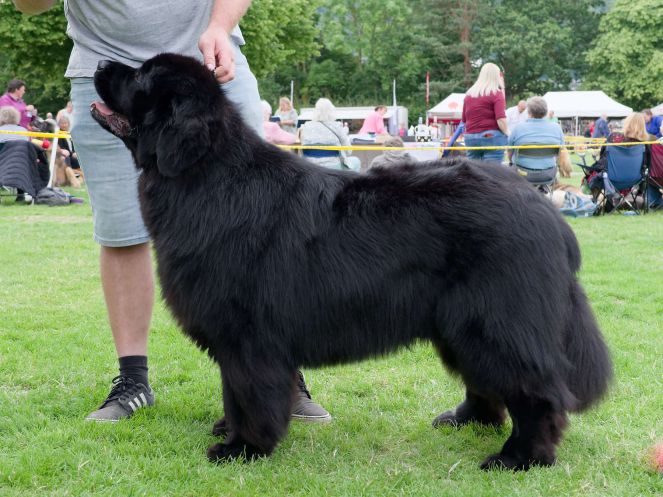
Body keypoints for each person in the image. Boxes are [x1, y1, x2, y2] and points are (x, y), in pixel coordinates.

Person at [13, 0, 330, 424]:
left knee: (260, 229)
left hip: (208, 62)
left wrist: (220, 25)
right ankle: (133, 381)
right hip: (106, 67)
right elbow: (28, 5)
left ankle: (282, 377)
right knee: (121, 232)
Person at [507, 96, 564, 183]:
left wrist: (511, 161)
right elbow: (561, 151)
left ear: (529, 111)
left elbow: (510, 152)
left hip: (521, 174)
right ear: (545, 111)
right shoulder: (557, 128)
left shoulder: (518, 128)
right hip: (548, 174)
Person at [462, 62, 509, 163]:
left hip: (470, 138)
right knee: (491, 172)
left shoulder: (469, 95)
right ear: (497, 76)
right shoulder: (496, 93)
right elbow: (501, 119)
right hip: (491, 137)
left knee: (474, 171)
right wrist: (508, 133)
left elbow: (464, 120)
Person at [299, 98, 360, 171]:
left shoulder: (306, 126)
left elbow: (303, 144)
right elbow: (348, 151)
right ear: (331, 111)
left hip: (310, 167)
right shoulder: (336, 126)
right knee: (356, 161)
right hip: (332, 168)